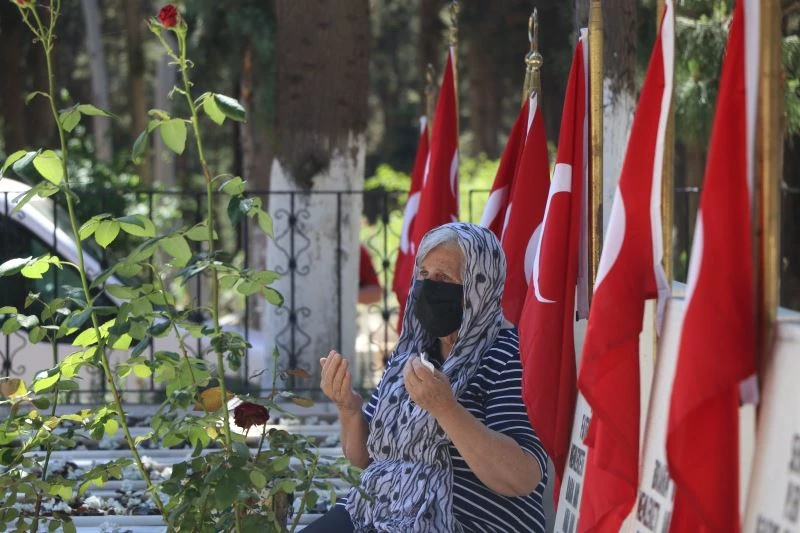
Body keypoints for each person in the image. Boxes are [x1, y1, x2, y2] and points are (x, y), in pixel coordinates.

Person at [309, 222, 548, 533]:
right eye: (423, 274)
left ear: (480, 286)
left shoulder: (509, 354)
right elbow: (363, 460)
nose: (429, 287)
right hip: (376, 508)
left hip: (463, 520)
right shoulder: (412, 353)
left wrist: (446, 409)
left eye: (444, 278)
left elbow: (522, 477)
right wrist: (349, 409)